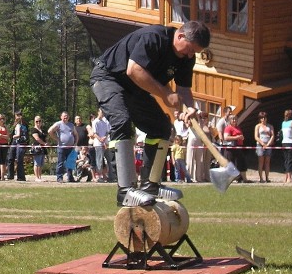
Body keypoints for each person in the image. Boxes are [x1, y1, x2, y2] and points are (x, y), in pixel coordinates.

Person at [89, 21, 210, 207]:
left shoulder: (186, 58)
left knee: (161, 128)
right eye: (190, 49)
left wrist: (190, 107)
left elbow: (184, 90)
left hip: (136, 88)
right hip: (109, 77)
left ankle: (150, 185)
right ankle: (125, 191)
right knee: (122, 121)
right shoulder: (153, 38)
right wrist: (166, 94)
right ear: (180, 36)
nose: (190, 54)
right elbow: (134, 70)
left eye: (195, 52)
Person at [48, 111, 76, 184]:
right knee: (60, 163)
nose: (65, 117)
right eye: (64, 116)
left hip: (70, 147)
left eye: (66, 116)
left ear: (68, 117)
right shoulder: (58, 124)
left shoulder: (71, 125)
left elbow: (76, 134)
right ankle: (59, 177)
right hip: (61, 147)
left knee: (70, 162)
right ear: (61, 117)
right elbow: (50, 131)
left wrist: (75, 143)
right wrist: (56, 138)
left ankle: (70, 177)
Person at [222, 113, 248, 182]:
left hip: (238, 147)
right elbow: (226, 137)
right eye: (233, 119)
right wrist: (237, 137)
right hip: (231, 149)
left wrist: (241, 138)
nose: (234, 120)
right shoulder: (228, 128)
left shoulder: (238, 127)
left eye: (235, 119)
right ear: (230, 120)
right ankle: (232, 179)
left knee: (241, 163)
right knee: (231, 164)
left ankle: (243, 179)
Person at [254, 111, 274, 183]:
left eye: (264, 118)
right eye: (261, 118)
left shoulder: (270, 126)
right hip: (260, 144)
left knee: (267, 162)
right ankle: (261, 178)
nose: (263, 119)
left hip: (268, 145)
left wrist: (268, 144)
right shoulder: (258, 126)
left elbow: (272, 135)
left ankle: (267, 177)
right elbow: (256, 136)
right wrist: (262, 143)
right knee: (261, 162)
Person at [91, 109, 110, 183]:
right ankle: (99, 176)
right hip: (98, 144)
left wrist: (105, 137)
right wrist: (100, 139)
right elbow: (94, 133)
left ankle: (107, 175)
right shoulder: (95, 122)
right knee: (99, 161)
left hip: (105, 143)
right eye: (102, 112)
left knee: (107, 160)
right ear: (98, 112)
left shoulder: (104, 122)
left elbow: (107, 132)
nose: (103, 114)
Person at [280, 109, 292, 184]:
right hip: (290, 143)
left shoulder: (283, 123)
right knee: (290, 160)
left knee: (286, 160)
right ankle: (290, 178)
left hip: (284, 143)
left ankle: (286, 177)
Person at [10, 112, 29, 181]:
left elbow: (26, 135)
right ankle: (11, 175)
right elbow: (11, 132)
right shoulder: (15, 124)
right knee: (11, 158)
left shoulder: (24, 124)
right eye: (17, 116)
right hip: (15, 142)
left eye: (19, 115)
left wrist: (27, 143)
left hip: (22, 143)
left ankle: (21, 177)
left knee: (19, 160)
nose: (18, 117)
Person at [30, 116, 48, 182]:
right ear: (34, 122)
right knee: (37, 163)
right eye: (36, 121)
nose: (38, 122)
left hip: (43, 148)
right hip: (37, 148)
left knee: (41, 163)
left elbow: (45, 138)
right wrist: (44, 143)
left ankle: (40, 176)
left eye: (39, 121)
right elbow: (37, 138)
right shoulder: (33, 130)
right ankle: (36, 177)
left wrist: (46, 143)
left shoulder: (42, 130)